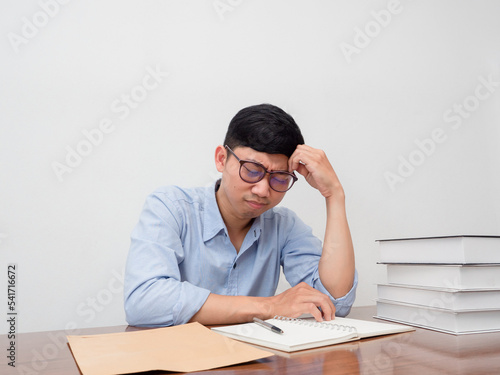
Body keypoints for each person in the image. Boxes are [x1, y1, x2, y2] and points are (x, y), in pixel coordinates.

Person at [124, 103, 357, 327]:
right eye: (252, 171)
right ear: (221, 159)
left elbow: (336, 300)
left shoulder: (284, 226)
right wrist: (270, 306)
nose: (263, 190)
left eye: (279, 178)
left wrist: (334, 195)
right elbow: (144, 301)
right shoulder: (170, 207)